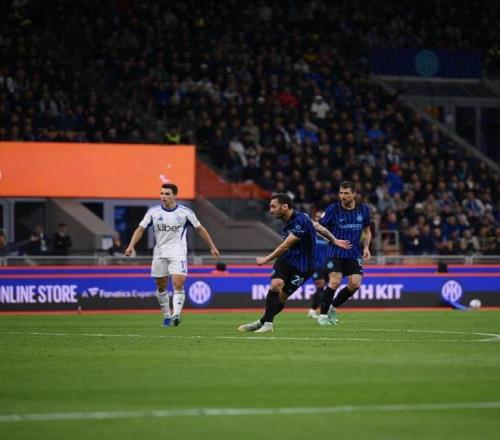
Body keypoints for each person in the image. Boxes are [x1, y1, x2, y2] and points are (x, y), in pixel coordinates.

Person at [238, 193, 350, 334]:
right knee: (276, 285)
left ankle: (261, 322)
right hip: (286, 260)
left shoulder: (301, 220)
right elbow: (319, 227)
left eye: (273, 206)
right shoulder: (293, 219)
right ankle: (268, 325)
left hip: (304, 266)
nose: (270, 210)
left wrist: (266, 259)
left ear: (285, 206)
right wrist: (334, 240)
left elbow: (286, 245)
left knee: (282, 296)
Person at [125, 183, 220, 327]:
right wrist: (131, 245)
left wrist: (212, 246)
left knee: (178, 283)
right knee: (161, 286)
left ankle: (176, 314)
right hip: (160, 254)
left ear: (175, 195)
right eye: (162, 193)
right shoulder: (153, 212)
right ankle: (166, 316)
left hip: (178, 253)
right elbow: (140, 229)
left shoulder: (185, 212)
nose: (163, 196)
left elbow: (200, 229)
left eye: (167, 194)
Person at [317, 181, 372, 326]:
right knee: (335, 281)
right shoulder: (332, 209)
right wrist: (333, 240)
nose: (343, 196)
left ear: (354, 194)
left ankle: (332, 307)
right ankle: (322, 316)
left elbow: (367, 231)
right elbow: (318, 227)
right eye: (341, 193)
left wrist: (366, 247)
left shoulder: (364, 210)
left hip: (354, 253)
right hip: (335, 252)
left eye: (346, 193)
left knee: (355, 284)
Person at [307, 210, 329, 319]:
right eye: (317, 217)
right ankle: (313, 310)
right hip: (316, 265)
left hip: (328, 265)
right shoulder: (311, 232)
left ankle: (318, 310)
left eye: (321, 217)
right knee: (320, 287)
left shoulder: (328, 233)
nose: (319, 219)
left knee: (328, 288)